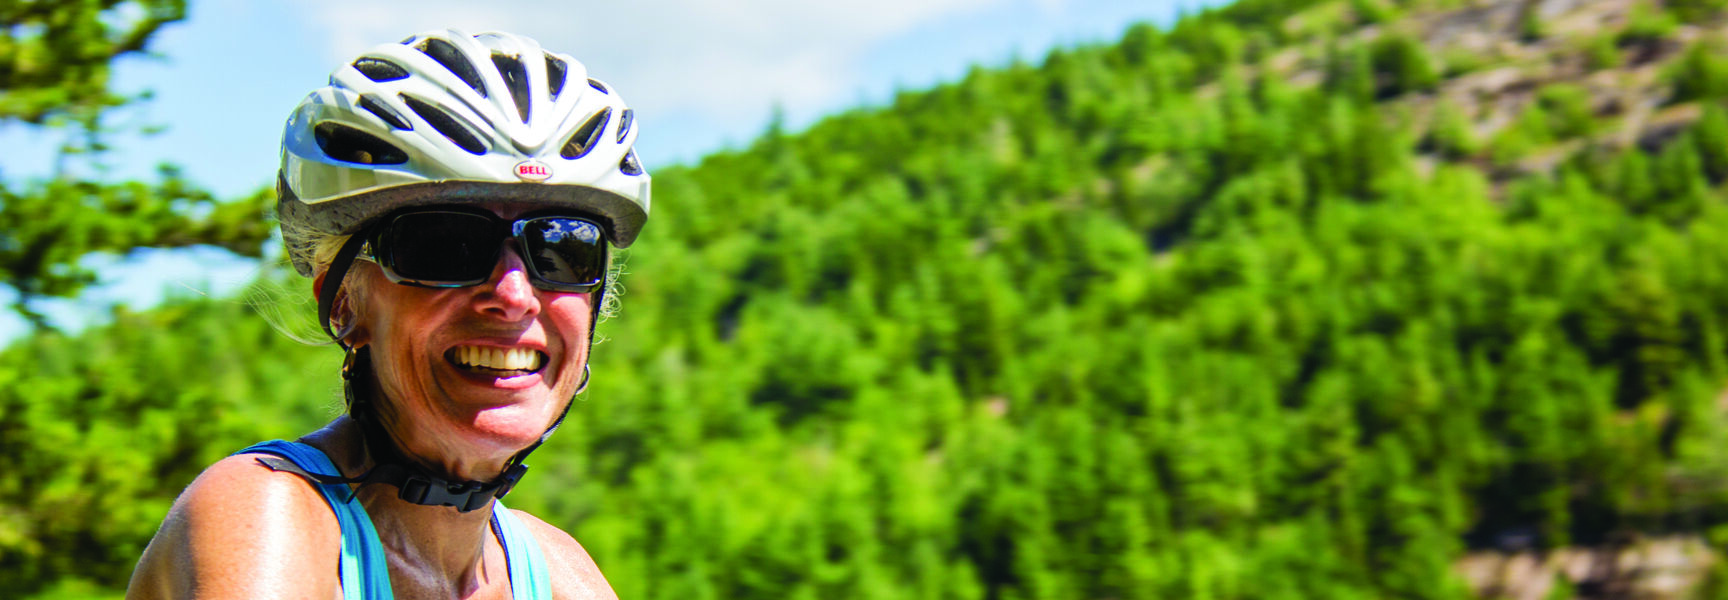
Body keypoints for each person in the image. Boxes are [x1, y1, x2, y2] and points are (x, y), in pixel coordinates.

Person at [126, 28, 648, 599]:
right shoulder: (267, 511)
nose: (515, 294)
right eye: (446, 246)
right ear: (346, 304)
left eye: (562, 248)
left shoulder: (560, 572)